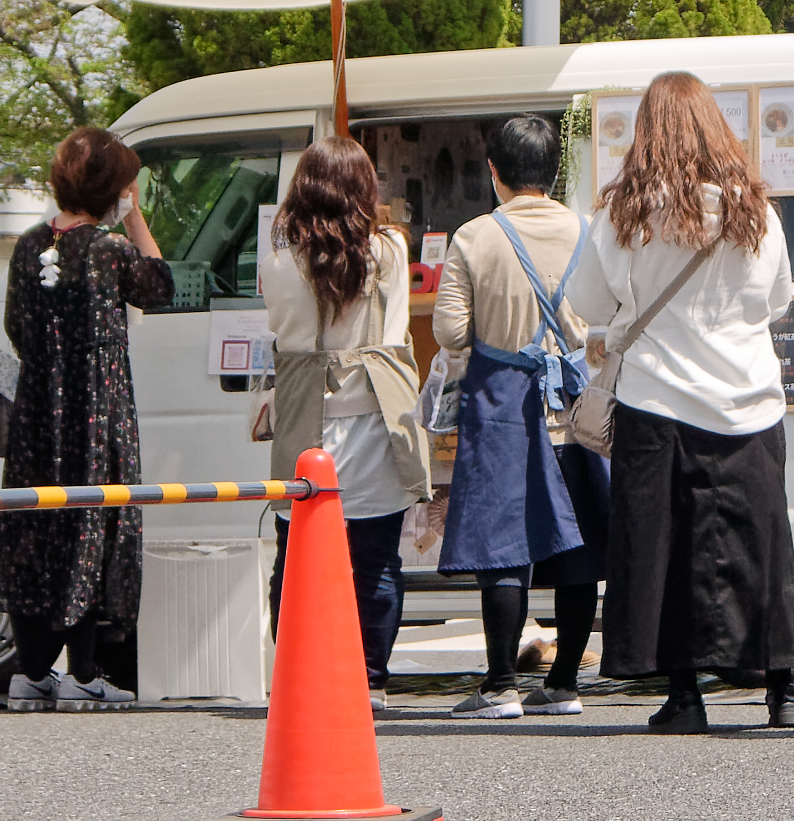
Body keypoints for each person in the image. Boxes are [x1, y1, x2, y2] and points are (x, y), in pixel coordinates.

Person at [569, 71, 794, 734]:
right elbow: (777, 300)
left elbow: (588, 301)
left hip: (659, 397)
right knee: (763, 546)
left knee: (665, 551)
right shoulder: (756, 212)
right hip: (750, 400)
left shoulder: (624, 216)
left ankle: (685, 695)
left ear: (647, 132)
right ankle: (783, 689)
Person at [432, 116, 608, 720]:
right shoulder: (586, 231)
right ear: (554, 172)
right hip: (576, 408)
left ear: (494, 172)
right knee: (579, 546)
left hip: (503, 406)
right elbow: (607, 315)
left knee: (503, 544)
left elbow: (450, 330)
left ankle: (501, 684)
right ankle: (563, 685)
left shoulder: (475, 236)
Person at [0, 127, 173, 713]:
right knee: (93, 522)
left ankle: (30, 672)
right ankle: (86, 671)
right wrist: (136, 219)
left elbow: (16, 326)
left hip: (36, 413)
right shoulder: (108, 249)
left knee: (35, 526)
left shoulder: (29, 244)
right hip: (96, 411)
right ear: (113, 190)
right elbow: (160, 287)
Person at [258, 135, 432, 714]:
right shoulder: (390, 251)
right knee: (376, 562)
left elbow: (279, 326)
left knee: (296, 561)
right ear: (363, 186)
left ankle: (300, 678)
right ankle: (370, 681)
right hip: (378, 424)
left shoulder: (279, 259)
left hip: (306, 427)